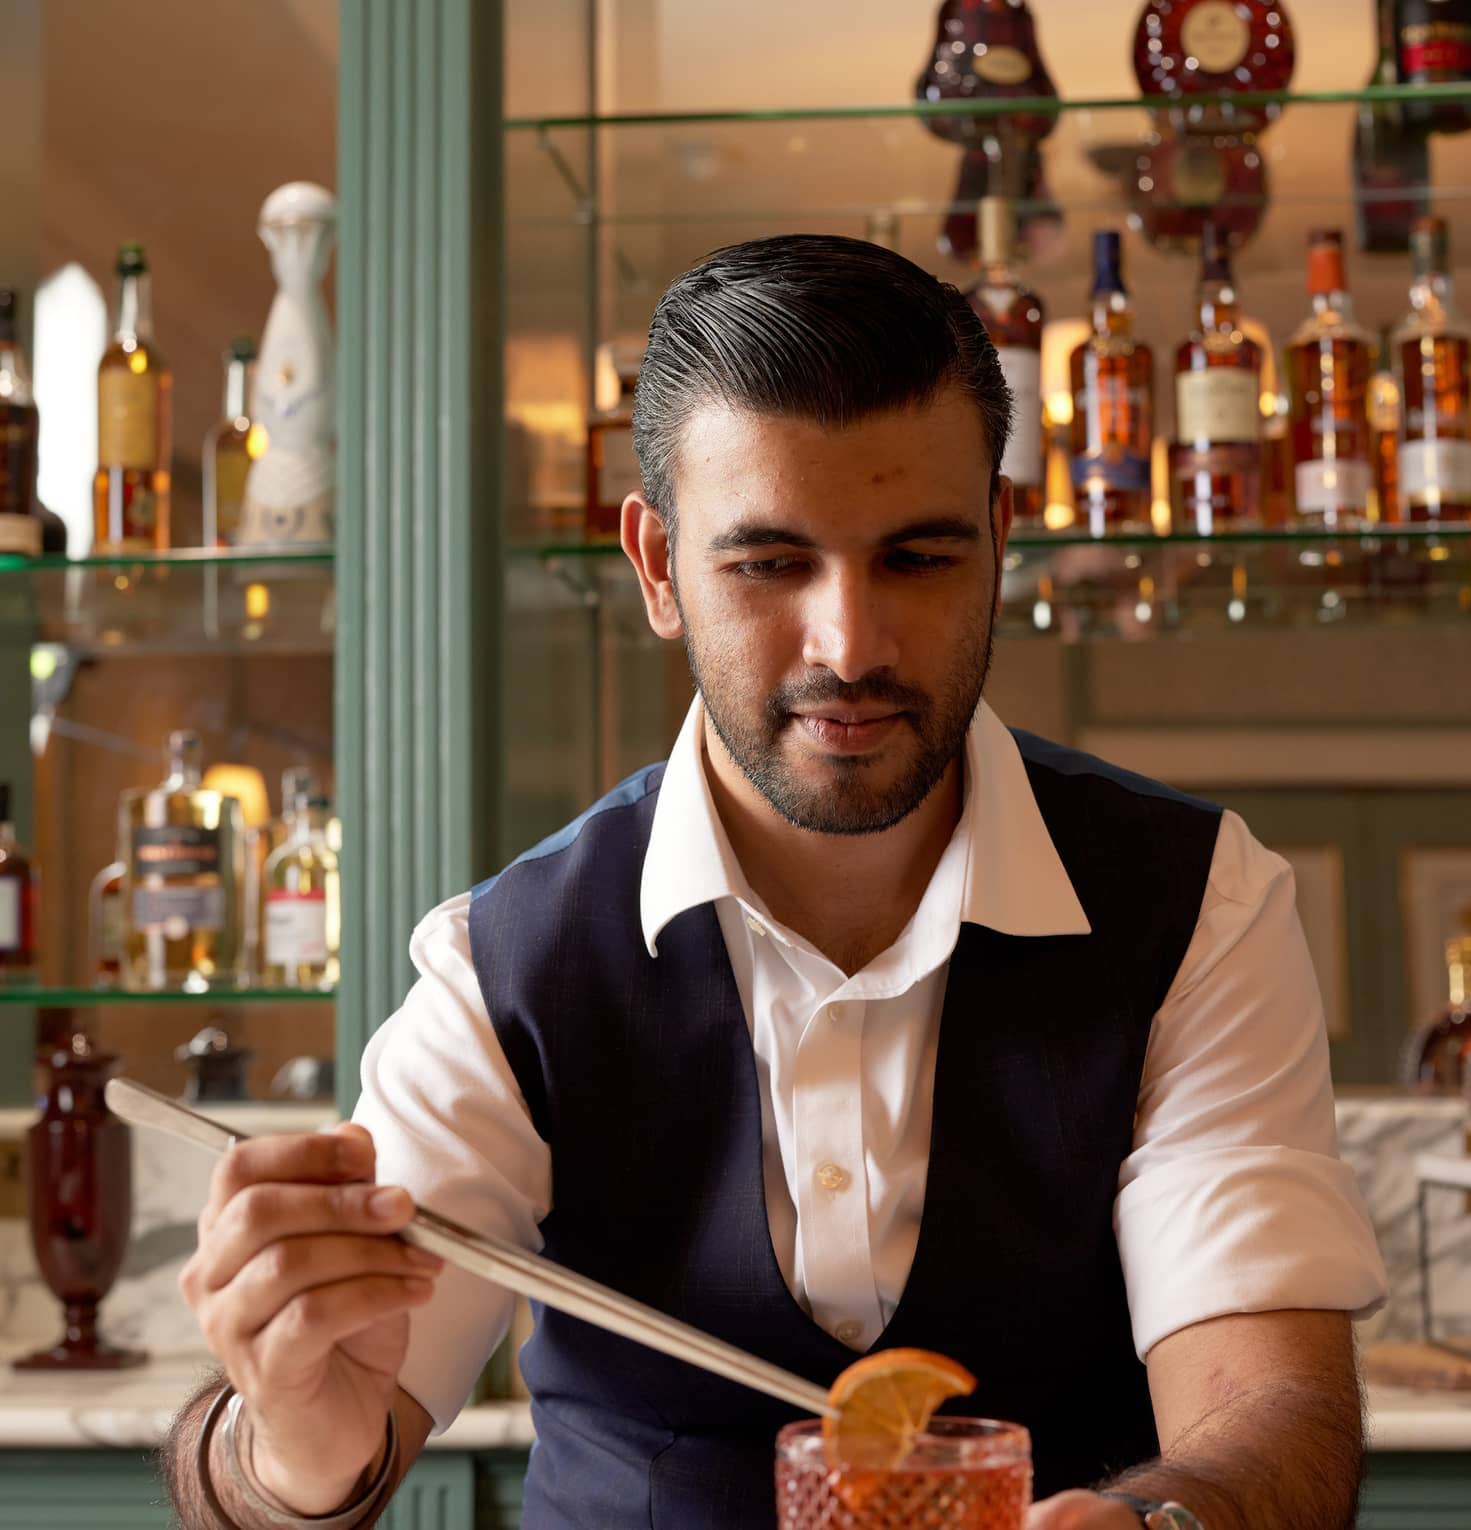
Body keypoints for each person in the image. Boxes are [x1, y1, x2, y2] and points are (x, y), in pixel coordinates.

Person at [163, 235, 1387, 1530]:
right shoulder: (506, 964)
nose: (848, 644)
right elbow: (282, 1464)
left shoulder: (1194, 903)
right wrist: (289, 1443)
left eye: (916, 557)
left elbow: (1269, 1408)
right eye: (766, 563)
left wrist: (1162, 1523)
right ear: (655, 567)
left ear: (999, 537)